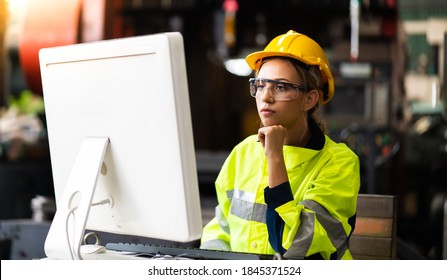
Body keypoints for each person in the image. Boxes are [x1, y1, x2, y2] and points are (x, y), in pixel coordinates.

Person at [200, 30, 361, 260]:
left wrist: (275, 157)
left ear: (310, 99)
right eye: (261, 85)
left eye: (281, 87)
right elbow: (220, 231)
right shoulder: (243, 152)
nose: (266, 97)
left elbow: (294, 249)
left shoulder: (338, 163)